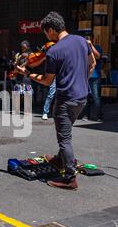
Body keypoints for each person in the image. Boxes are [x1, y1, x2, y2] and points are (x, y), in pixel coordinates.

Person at [16, 11, 96, 190]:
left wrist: (28, 73)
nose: (47, 36)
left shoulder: (54, 51)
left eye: (46, 33)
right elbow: (93, 64)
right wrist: (81, 79)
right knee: (66, 131)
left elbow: (47, 80)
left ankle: (70, 177)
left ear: (51, 30)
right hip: (82, 97)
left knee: (64, 138)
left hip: (66, 98)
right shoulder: (82, 41)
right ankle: (60, 159)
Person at [82, 35, 103, 121]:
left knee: (96, 96)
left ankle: (99, 115)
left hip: (94, 76)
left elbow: (98, 56)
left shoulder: (97, 47)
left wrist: (91, 46)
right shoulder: (82, 48)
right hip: (85, 75)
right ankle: (86, 115)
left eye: (89, 38)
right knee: (85, 96)